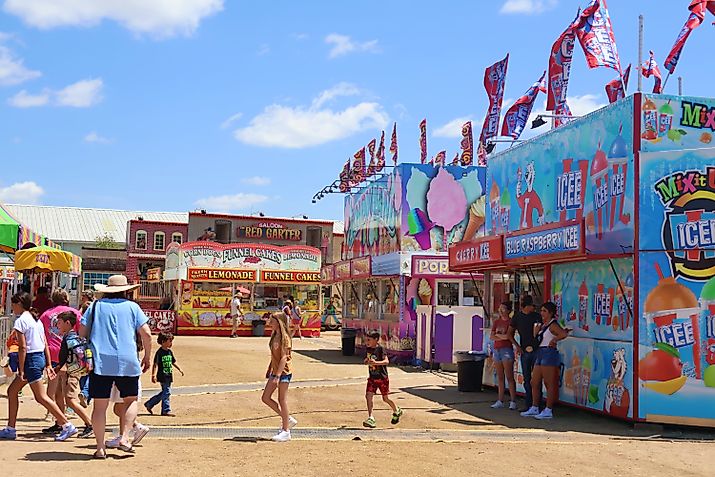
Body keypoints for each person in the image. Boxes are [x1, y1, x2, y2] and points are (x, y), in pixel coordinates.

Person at [81, 275, 152, 459]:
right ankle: (125, 437)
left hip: (100, 362)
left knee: (99, 407)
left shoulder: (95, 306)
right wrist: (147, 356)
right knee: (131, 400)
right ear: (126, 290)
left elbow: (82, 332)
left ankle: (99, 448)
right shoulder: (133, 307)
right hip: (127, 360)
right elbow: (146, 334)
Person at [0, 292, 77, 441]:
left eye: (14, 305)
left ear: (19, 304)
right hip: (38, 358)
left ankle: (66, 424)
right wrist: (47, 363)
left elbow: (22, 347)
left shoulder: (21, 321)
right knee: (12, 391)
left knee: (41, 397)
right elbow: (44, 344)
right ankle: (11, 428)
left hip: (31, 360)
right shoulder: (36, 320)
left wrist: (21, 370)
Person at [39, 289, 82, 435]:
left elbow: (42, 334)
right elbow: (81, 331)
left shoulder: (45, 315)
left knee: (55, 390)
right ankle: (62, 420)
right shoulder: (74, 312)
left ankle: (60, 419)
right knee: (66, 390)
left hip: (51, 354)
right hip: (69, 354)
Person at [521, 301, 570, 420]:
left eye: (544, 311)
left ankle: (548, 409)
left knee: (549, 383)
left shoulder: (553, 324)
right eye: (541, 311)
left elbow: (563, 334)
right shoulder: (543, 325)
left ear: (551, 313)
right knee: (534, 382)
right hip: (540, 352)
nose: (542, 313)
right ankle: (535, 406)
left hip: (549, 353)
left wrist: (554, 340)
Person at [54, 311, 93, 438]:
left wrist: (63, 367)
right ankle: (61, 422)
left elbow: (70, 356)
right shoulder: (73, 337)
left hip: (71, 373)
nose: (57, 325)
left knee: (70, 400)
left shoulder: (70, 338)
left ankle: (89, 424)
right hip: (72, 371)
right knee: (60, 395)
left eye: (59, 323)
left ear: (68, 323)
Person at [261, 312, 297, 442]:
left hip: (284, 373)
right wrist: (270, 368)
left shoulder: (284, 338)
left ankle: (286, 430)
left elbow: (283, 358)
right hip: (275, 372)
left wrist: (277, 375)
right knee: (265, 397)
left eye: (272, 321)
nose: (270, 323)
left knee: (282, 400)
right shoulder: (274, 335)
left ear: (279, 322)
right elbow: (274, 356)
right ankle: (287, 418)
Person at [362, 331, 403, 429]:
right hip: (372, 377)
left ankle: (396, 410)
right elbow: (368, 360)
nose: (367, 342)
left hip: (382, 378)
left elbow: (386, 361)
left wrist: (376, 363)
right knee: (368, 395)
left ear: (376, 340)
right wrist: (366, 361)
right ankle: (371, 417)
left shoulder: (380, 349)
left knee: (385, 398)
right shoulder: (368, 349)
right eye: (366, 340)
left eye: (369, 340)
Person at [508, 295, 542, 412]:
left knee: (537, 378)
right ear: (527, 306)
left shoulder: (537, 316)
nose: (534, 308)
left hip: (536, 349)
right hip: (524, 350)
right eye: (532, 306)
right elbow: (509, 334)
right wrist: (517, 346)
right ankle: (529, 404)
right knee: (527, 379)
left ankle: (537, 404)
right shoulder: (517, 317)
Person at [145, 332, 183, 416]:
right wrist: (153, 375)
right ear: (163, 341)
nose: (171, 343)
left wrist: (179, 369)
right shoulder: (159, 352)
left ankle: (150, 403)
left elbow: (173, 362)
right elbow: (155, 364)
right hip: (162, 376)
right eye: (169, 341)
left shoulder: (169, 352)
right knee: (167, 392)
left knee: (165, 392)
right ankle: (165, 410)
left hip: (169, 375)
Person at [490, 302, 517, 410]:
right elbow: (492, 336)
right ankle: (500, 400)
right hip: (497, 349)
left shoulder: (511, 322)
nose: (501, 310)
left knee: (509, 376)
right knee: (500, 376)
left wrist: (499, 336)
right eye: (500, 308)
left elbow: (508, 336)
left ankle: (513, 401)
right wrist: (501, 336)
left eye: (503, 309)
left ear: (508, 311)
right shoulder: (497, 322)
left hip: (507, 349)